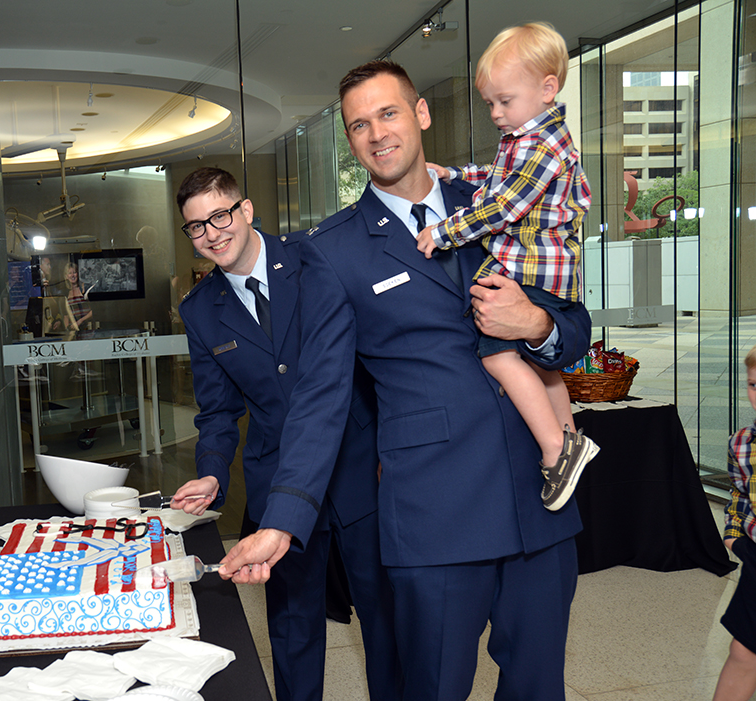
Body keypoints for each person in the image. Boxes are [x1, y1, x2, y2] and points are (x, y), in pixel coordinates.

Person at [222, 60, 592, 700]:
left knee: (538, 687)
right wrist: (282, 520)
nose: (376, 134)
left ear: (420, 114)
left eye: (388, 113)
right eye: (358, 124)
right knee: (432, 688)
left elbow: (573, 325)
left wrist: (534, 322)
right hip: (434, 513)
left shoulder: (499, 199)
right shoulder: (332, 250)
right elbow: (322, 394)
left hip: (540, 500)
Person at [171, 167, 400, 701]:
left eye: (220, 215)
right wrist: (210, 471)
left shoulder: (315, 260)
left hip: (357, 465)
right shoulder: (200, 310)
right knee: (293, 629)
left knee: (384, 617)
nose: (212, 233)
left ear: (246, 211)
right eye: (196, 226)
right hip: (277, 481)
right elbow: (217, 410)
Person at [416, 22, 598, 511]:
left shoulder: (543, 146)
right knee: (539, 367)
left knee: (499, 356)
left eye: (504, 101)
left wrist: (444, 231)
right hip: (541, 273)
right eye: (490, 103)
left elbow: (502, 205)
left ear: (547, 88)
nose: (496, 113)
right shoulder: (528, 135)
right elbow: (496, 178)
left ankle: (556, 449)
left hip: (535, 273)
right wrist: (454, 173)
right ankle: (570, 437)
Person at [713, 345, 756, 701]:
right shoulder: (742, 443)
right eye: (754, 384)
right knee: (743, 652)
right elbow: (740, 495)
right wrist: (733, 537)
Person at [62, 261, 93, 329]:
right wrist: (68, 328)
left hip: (88, 328)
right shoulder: (66, 293)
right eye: (70, 273)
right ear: (66, 276)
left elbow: (94, 310)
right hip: (74, 331)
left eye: (74, 272)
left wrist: (80, 321)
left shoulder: (84, 289)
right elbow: (66, 315)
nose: (72, 275)